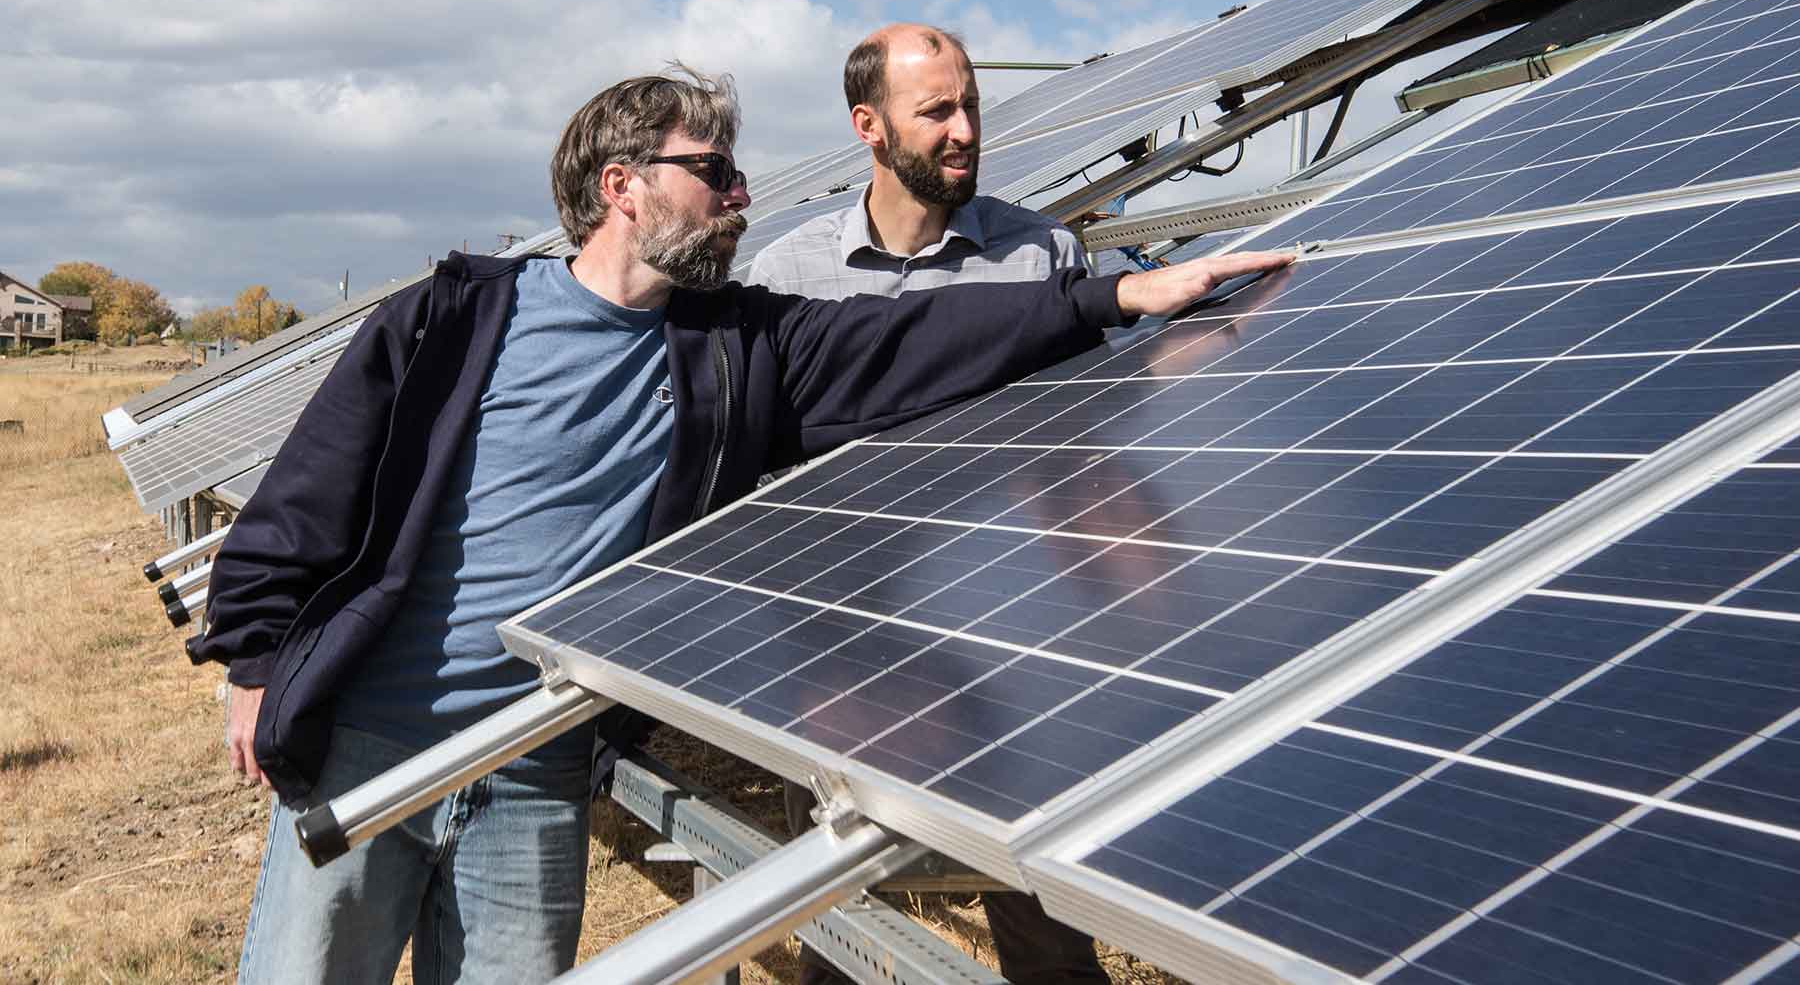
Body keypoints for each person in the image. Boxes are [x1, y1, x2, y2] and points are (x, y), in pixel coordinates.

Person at [195, 63, 1292, 985]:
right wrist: (254, 658)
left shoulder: (735, 348)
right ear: (623, 185)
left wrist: (1106, 301)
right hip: (371, 744)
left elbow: (911, 341)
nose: (741, 196)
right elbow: (313, 488)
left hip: (531, 761)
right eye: (714, 173)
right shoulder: (457, 319)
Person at [748, 23, 1126, 984]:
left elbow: (1091, 452)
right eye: (937, 112)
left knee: (1039, 910)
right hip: (846, 637)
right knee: (841, 908)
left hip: (1011, 625)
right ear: (868, 127)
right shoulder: (788, 278)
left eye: (970, 107)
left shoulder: (1043, 257)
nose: (964, 130)